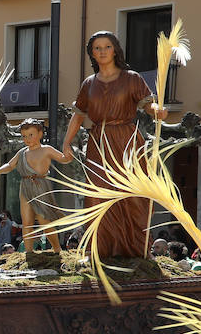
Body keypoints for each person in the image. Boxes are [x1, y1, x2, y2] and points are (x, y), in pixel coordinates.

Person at [60, 31, 166, 259]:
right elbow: (78, 115)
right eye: (97, 48)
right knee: (97, 196)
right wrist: (66, 142)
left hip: (127, 140)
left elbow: (148, 105)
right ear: (92, 53)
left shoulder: (132, 78)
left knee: (134, 195)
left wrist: (158, 111)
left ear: (115, 49)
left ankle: (138, 248)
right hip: (98, 143)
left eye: (106, 46)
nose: (102, 51)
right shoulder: (89, 84)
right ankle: (98, 249)